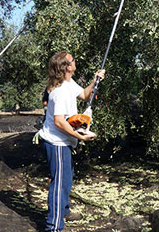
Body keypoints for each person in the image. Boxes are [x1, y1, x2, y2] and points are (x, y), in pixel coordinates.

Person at [38, 52, 104, 232]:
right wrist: (80, 136)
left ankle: (64, 211)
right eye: (73, 60)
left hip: (65, 141)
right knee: (59, 183)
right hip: (57, 143)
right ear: (67, 67)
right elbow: (59, 122)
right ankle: (54, 226)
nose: (76, 61)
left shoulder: (68, 83)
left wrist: (95, 80)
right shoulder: (59, 92)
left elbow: (84, 94)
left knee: (66, 179)